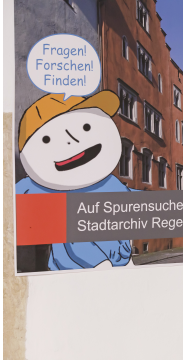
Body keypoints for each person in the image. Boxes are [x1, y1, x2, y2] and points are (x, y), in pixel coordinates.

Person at [16, 91, 134, 270]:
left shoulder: (110, 183)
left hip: (121, 259)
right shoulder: (55, 195)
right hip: (79, 269)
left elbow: (132, 201)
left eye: (86, 127)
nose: (73, 141)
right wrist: (101, 264)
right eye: (47, 139)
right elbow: (74, 241)